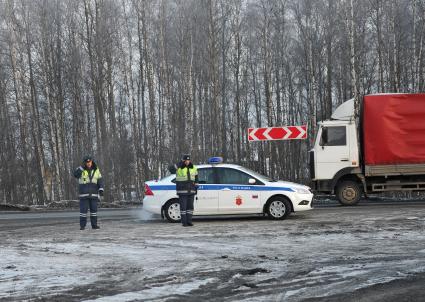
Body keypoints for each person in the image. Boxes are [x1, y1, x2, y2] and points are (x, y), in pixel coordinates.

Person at [73, 155, 104, 230]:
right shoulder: (80, 169)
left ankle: (94, 225)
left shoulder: (96, 170)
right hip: (84, 195)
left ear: (92, 161)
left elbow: (100, 180)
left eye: (89, 162)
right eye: (87, 162)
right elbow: (75, 175)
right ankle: (82, 226)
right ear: (84, 162)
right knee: (83, 212)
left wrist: (101, 189)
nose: (88, 163)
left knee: (94, 211)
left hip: (94, 194)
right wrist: (81, 168)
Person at [175, 154, 198, 227]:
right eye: (186, 160)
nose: (187, 161)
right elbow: (171, 168)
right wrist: (180, 163)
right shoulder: (179, 167)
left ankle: (189, 221)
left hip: (191, 190)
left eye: (188, 160)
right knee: (183, 208)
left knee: (190, 207)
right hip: (182, 191)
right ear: (183, 160)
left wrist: (196, 186)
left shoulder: (193, 167)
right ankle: (184, 222)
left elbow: (196, 177)